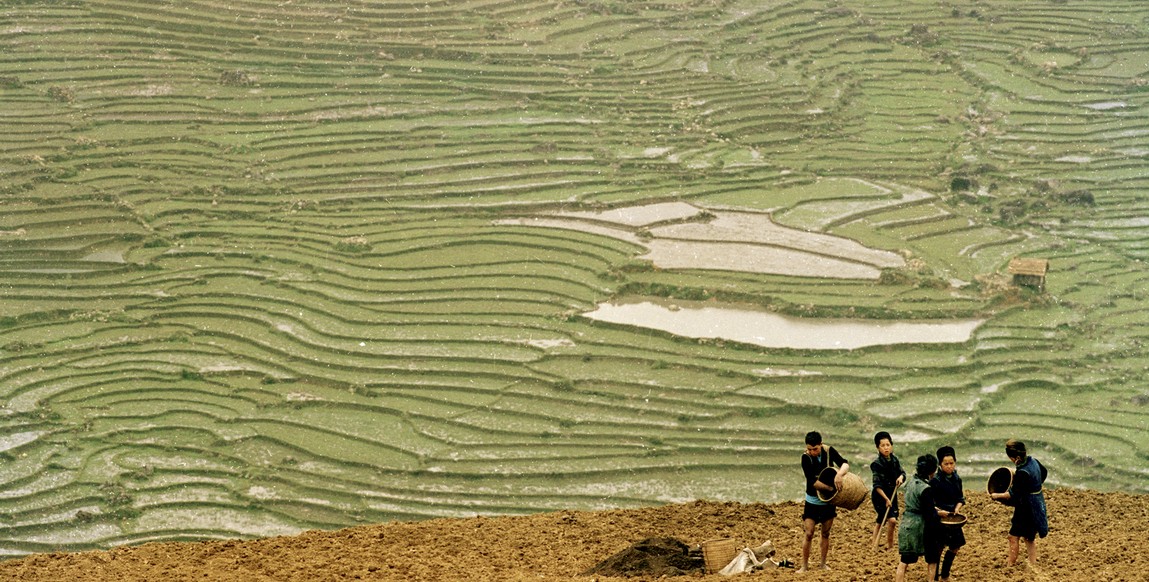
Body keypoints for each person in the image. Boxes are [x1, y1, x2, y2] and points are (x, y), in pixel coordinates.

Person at [989, 439, 1048, 566]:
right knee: (1029, 537)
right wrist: (1034, 486)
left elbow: (1011, 494)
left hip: (1025, 508)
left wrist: (995, 495)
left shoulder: (1022, 473)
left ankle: (1010, 564)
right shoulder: (1033, 461)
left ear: (1016, 458)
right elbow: (1044, 473)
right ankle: (1032, 563)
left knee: (1013, 536)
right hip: (1037, 502)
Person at [797, 431, 850, 573]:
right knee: (809, 533)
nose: (812, 452)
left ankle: (823, 564)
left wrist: (839, 475)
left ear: (821, 444)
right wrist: (830, 489)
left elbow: (844, 463)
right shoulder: (805, 458)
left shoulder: (829, 451)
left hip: (828, 502)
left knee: (826, 533)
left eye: (815, 449)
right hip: (812, 500)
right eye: (810, 449)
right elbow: (813, 482)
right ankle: (804, 565)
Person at [895, 454, 941, 582]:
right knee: (932, 557)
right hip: (921, 527)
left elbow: (916, 503)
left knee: (904, 560)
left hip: (907, 522)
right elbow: (929, 514)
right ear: (931, 471)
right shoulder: (925, 489)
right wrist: (938, 515)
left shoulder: (910, 482)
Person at [930, 446, 965, 582]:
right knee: (938, 549)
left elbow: (960, 498)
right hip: (940, 518)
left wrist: (957, 507)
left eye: (952, 463)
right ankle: (935, 576)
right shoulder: (935, 481)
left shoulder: (957, 479)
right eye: (946, 464)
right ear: (940, 465)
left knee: (955, 547)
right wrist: (939, 511)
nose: (949, 466)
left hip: (953, 518)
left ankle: (945, 575)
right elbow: (930, 503)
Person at [870, 431, 905, 550]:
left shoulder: (894, 460)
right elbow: (877, 485)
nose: (886, 448)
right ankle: (877, 545)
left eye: (888, 445)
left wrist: (901, 477)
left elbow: (902, 473)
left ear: (891, 445)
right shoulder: (876, 464)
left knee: (883, 520)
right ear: (878, 448)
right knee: (889, 519)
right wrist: (885, 499)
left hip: (892, 494)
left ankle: (887, 545)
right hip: (880, 496)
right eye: (882, 446)